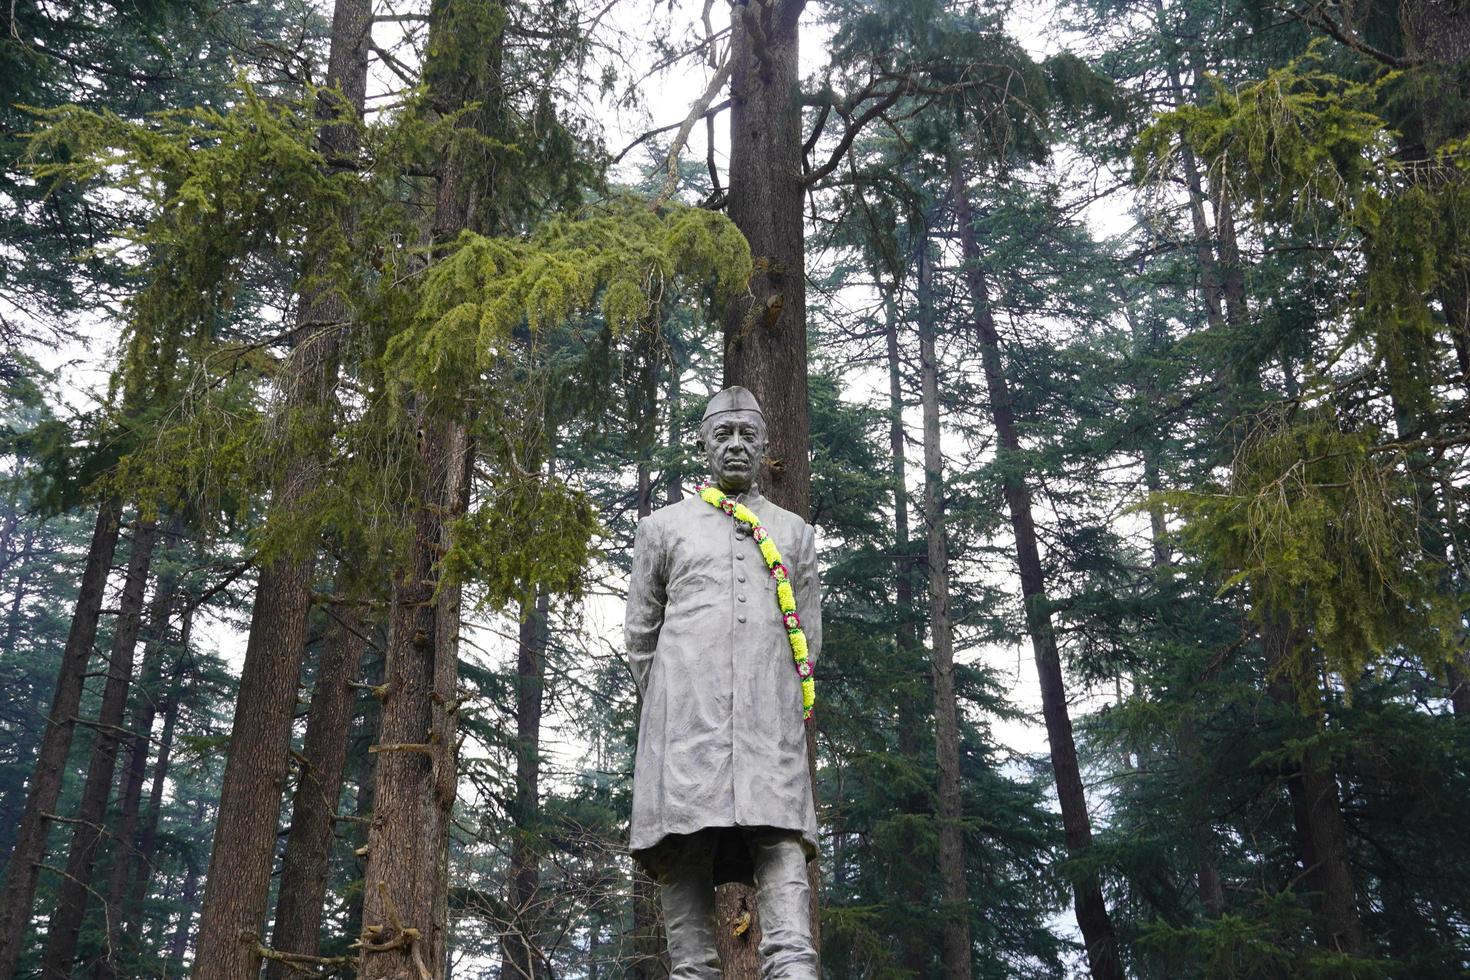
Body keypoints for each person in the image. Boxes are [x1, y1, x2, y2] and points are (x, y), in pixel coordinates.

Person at [624, 385, 821, 979]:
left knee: (783, 848)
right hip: (685, 731)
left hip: (771, 730)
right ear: (704, 445)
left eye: (747, 436)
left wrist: (773, 702)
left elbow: (808, 644)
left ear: (764, 446)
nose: (735, 446)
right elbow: (640, 637)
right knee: (686, 853)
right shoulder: (662, 529)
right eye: (722, 436)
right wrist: (675, 707)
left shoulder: (794, 534)